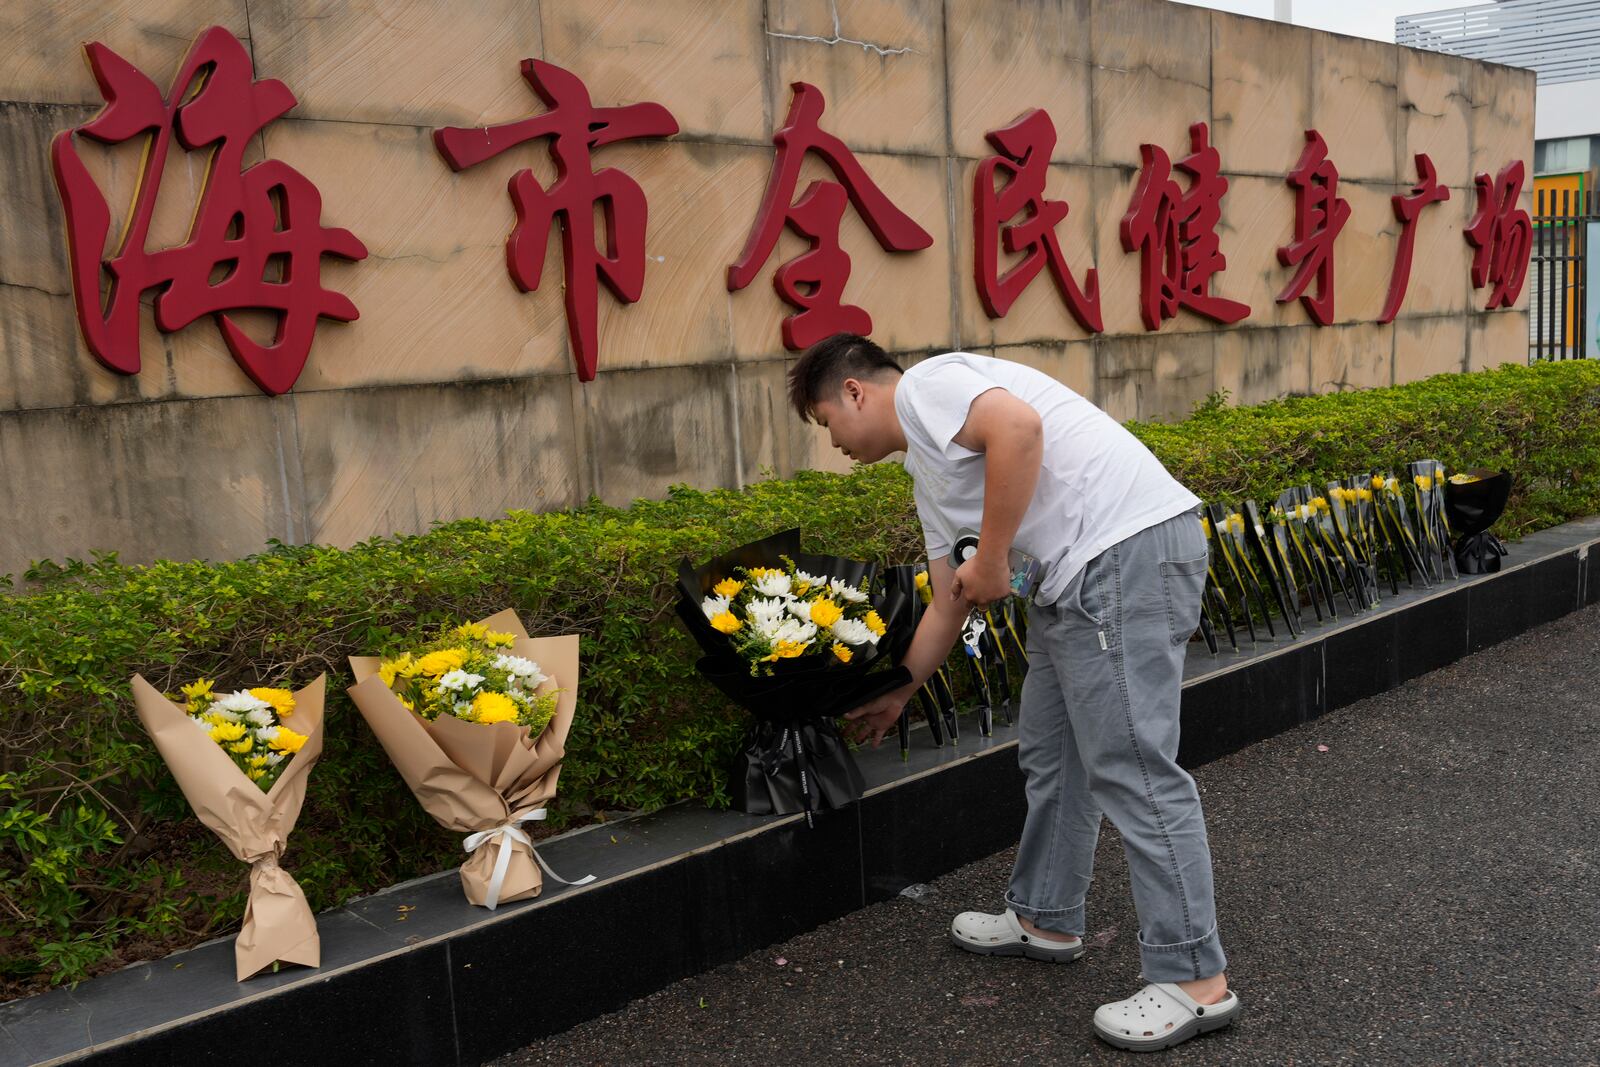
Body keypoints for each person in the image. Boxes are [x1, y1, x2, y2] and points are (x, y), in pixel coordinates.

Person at [787, 333, 1239, 1052]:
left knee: (1133, 766)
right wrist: (901, 691)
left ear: (854, 391)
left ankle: (1194, 980)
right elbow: (949, 600)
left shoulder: (929, 387)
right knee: (1054, 757)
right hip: (1077, 581)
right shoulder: (929, 475)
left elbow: (1018, 430)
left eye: (824, 421)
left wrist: (994, 555)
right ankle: (1047, 916)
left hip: (1121, 554)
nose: (831, 441)